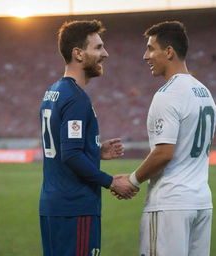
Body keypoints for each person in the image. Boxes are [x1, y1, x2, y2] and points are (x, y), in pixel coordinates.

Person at [39, 20, 137, 256]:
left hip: (53, 205)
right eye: (98, 47)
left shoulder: (54, 91)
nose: (105, 53)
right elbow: (71, 154)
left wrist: (94, 150)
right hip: (75, 207)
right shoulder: (76, 97)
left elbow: (66, 146)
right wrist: (111, 181)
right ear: (78, 54)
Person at [128, 21, 216, 256]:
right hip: (201, 201)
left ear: (169, 51)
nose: (145, 56)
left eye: (150, 48)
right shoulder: (205, 93)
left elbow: (164, 152)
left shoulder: (167, 95)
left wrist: (132, 180)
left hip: (171, 203)